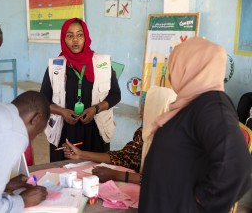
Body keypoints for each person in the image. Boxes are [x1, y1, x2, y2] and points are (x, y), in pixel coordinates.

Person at [139, 37, 252, 213]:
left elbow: (237, 167)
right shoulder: (193, 103)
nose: (170, 73)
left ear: (191, 66)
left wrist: (201, 201)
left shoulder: (212, 106)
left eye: (175, 64)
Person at [40, 17, 121, 162]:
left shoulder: (102, 63)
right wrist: (62, 112)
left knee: (94, 174)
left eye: (79, 34)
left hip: (95, 130)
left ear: (86, 37)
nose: (75, 40)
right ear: (63, 39)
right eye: (70, 36)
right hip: (64, 131)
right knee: (63, 175)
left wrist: (95, 109)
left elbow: (115, 95)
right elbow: (42, 100)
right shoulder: (55, 67)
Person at [63, 86, 177, 184]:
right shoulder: (143, 133)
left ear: (157, 109)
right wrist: (81, 154)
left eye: (146, 106)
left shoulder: (175, 142)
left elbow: (159, 180)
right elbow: (124, 157)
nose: (141, 111)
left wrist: (116, 175)